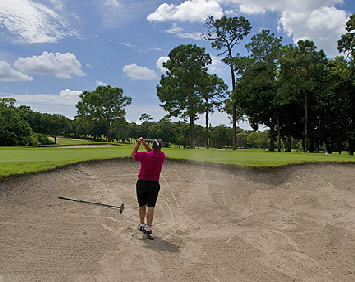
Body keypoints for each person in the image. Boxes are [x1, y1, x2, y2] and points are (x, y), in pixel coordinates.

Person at [130, 137, 166, 240]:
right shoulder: (162, 156)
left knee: (142, 205)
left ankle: (141, 224)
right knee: (151, 207)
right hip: (154, 184)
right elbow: (153, 152)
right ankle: (148, 227)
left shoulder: (145, 155)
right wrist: (144, 143)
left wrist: (138, 144)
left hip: (142, 183)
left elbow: (133, 154)